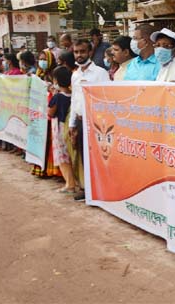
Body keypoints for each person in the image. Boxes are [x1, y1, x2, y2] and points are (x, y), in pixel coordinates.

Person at [69, 39, 110, 201]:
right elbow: (74, 100)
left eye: (82, 51)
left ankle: (102, 190)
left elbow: (107, 100)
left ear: (90, 52)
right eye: (76, 52)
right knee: (84, 156)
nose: (79, 55)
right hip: (79, 121)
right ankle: (89, 191)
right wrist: (72, 124)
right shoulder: (75, 74)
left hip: (96, 123)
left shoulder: (100, 73)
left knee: (98, 157)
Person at [48, 66, 77, 194]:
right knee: (71, 156)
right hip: (70, 127)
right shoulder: (73, 95)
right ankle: (73, 182)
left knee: (62, 157)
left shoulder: (58, 97)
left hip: (59, 128)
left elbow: (50, 112)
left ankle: (69, 184)